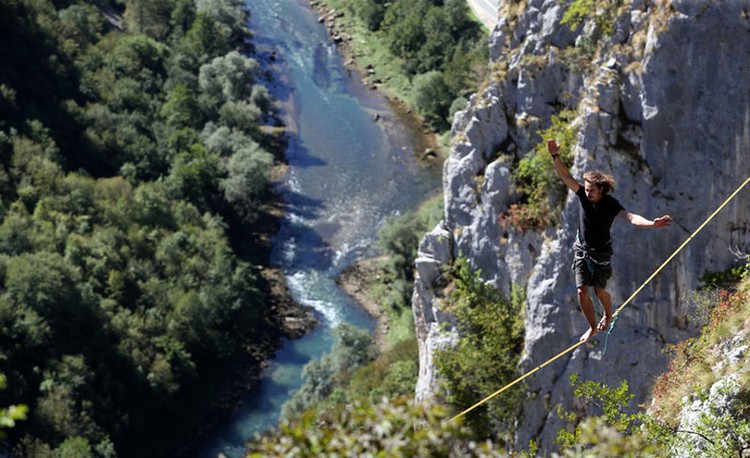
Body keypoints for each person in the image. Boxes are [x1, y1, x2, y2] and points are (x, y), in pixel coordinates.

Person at [547, 139, 673, 342]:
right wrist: (555, 156)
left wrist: (651, 224)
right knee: (581, 290)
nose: (587, 194)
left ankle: (607, 314)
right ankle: (592, 327)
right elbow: (565, 176)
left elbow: (630, 217)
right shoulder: (581, 195)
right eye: (586, 190)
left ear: (602, 190)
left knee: (599, 290)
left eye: (592, 191)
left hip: (602, 254)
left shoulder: (610, 204)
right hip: (583, 251)